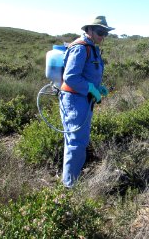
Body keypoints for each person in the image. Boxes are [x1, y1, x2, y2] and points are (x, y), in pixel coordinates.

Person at [59, 15, 114, 188]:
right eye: (99, 31)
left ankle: (71, 179)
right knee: (76, 142)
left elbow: (87, 73)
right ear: (88, 30)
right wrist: (90, 88)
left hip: (83, 99)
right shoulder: (81, 48)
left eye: (105, 33)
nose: (102, 36)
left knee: (77, 141)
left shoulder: (93, 47)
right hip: (75, 100)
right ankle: (70, 187)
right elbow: (71, 77)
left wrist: (98, 87)